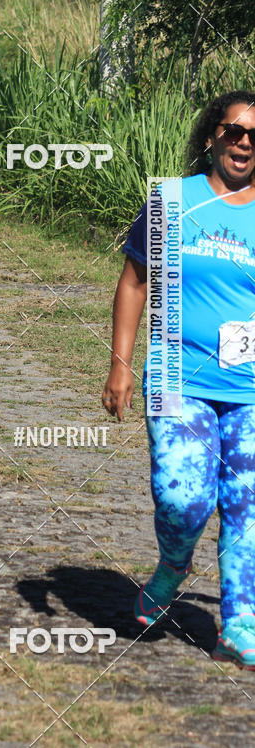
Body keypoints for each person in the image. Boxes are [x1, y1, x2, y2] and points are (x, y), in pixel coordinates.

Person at [102, 90, 255, 669]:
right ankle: (172, 566)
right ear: (212, 136)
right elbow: (134, 282)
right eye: (234, 131)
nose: (244, 143)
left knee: (247, 505)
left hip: (250, 388)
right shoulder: (173, 202)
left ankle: (241, 623)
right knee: (182, 497)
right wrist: (119, 365)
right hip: (176, 376)